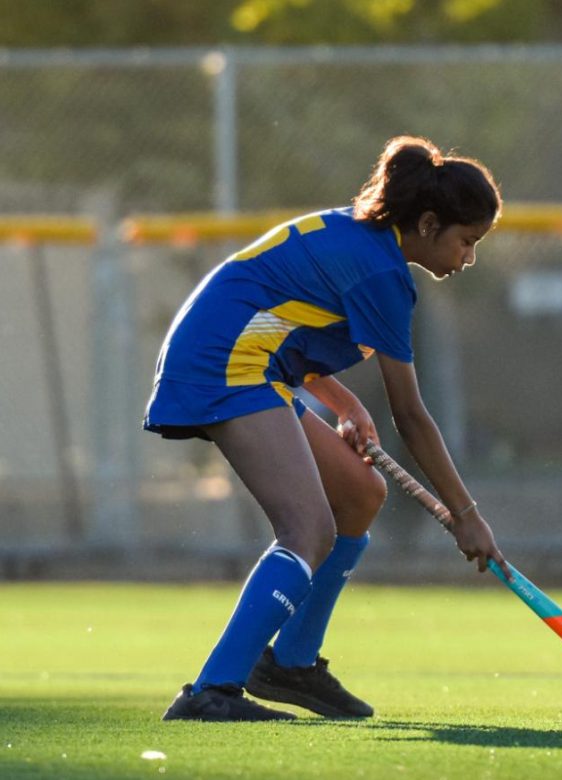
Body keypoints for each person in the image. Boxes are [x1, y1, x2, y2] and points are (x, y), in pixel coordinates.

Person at [145, 135, 507, 722]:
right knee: (307, 529)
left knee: (361, 494)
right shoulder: (382, 273)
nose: (467, 259)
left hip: (248, 356)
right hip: (224, 363)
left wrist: (340, 400)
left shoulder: (365, 239)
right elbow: (411, 416)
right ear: (429, 222)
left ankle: (291, 664)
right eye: (467, 242)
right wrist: (466, 515)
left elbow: (284, 319)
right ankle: (211, 692)